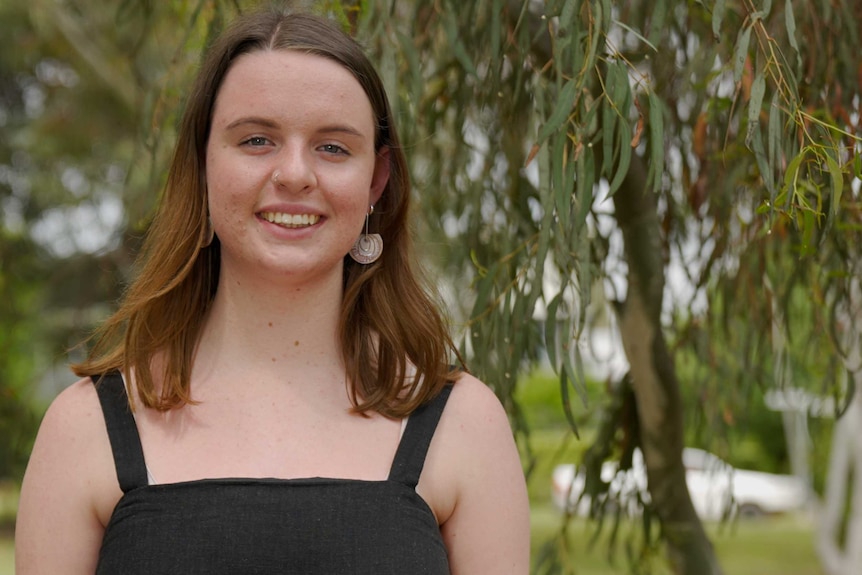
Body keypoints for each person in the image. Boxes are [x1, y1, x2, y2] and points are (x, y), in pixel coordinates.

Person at [14, 6, 530, 575]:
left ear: (375, 182)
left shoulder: (463, 425)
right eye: (257, 139)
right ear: (203, 167)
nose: (295, 174)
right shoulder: (84, 430)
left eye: (333, 147)